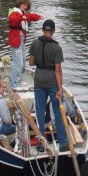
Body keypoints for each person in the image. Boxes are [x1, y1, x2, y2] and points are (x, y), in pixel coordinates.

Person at [28, 19, 69, 152]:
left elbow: (31, 63)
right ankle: (63, 143)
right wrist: (60, 88)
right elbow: (58, 70)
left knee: (40, 111)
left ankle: (40, 143)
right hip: (52, 81)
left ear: (43, 30)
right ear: (53, 31)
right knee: (58, 111)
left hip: (39, 79)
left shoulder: (35, 43)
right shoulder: (56, 48)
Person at [8, 0, 41, 87]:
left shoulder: (23, 13)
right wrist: (22, 17)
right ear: (20, 4)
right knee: (18, 62)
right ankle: (14, 84)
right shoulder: (14, 13)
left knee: (23, 61)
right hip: (16, 39)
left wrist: (38, 17)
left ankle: (19, 81)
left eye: (26, 6)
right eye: (24, 5)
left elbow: (30, 16)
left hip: (21, 39)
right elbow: (13, 20)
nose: (25, 7)